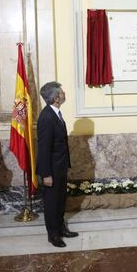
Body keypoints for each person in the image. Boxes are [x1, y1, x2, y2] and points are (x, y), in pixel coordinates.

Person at [37, 82, 78, 247]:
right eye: (61, 92)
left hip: (59, 167)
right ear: (56, 98)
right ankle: (53, 235)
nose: (64, 93)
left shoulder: (55, 114)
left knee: (60, 200)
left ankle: (61, 228)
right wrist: (46, 174)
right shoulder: (47, 117)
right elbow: (44, 148)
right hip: (51, 170)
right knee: (52, 203)